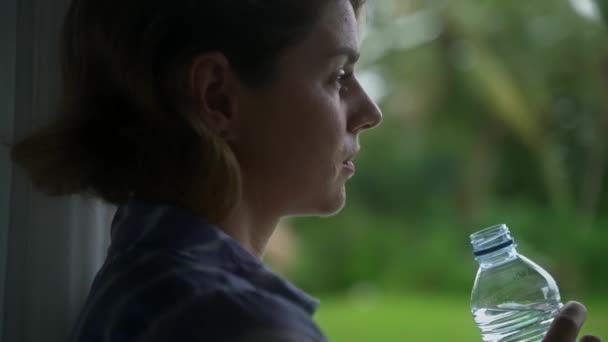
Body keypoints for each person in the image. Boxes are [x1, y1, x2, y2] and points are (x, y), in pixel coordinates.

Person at [10, 0, 602, 341]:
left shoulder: (143, 274)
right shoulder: (235, 324)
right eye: (336, 76)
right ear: (217, 97)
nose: (369, 112)